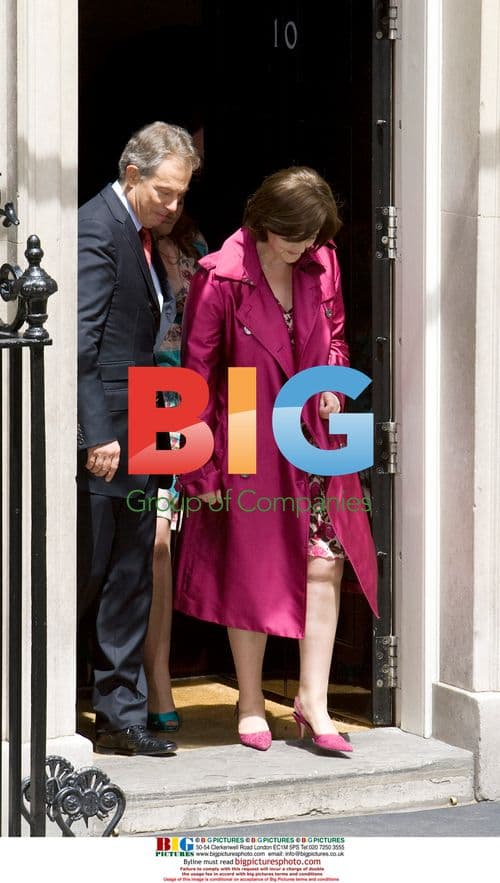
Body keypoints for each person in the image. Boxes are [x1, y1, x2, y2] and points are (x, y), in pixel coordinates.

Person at [174, 167, 378, 753]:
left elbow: (337, 333)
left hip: (314, 428)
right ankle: (248, 697)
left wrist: (335, 381)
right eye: (295, 239)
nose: (305, 249)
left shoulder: (324, 260)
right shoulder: (220, 276)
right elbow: (196, 378)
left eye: (313, 239)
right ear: (264, 225)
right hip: (243, 422)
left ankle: (313, 700)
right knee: (252, 568)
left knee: (326, 562)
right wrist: (198, 468)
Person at [77, 121, 200, 757]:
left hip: (145, 428)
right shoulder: (98, 229)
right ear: (132, 175)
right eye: (164, 191)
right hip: (112, 440)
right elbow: (81, 344)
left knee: (132, 573)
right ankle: (73, 711)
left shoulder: (141, 234)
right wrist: (98, 435)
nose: (173, 205)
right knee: (96, 571)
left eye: (180, 194)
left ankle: (120, 717)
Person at [143, 208, 208, 733]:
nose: (172, 202)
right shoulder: (127, 241)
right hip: (149, 401)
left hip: (193, 401)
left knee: (185, 537)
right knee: (155, 543)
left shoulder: (198, 246)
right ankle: (155, 676)